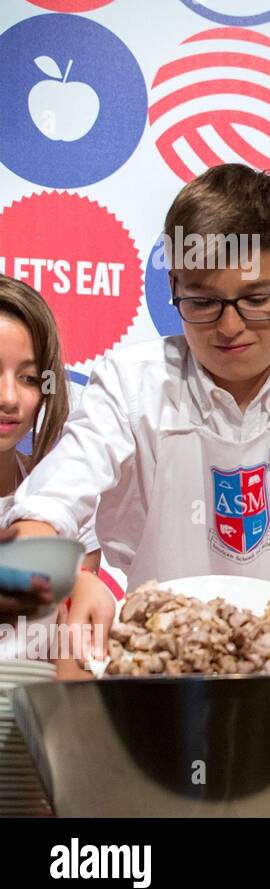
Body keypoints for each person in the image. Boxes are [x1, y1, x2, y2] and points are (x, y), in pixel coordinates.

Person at [3, 164, 270, 800]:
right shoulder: (131, 379)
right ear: (171, 289)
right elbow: (48, 503)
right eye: (201, 300)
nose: (229, 326)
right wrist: (66, 574)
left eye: (256, 298)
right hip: (159, 688)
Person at [0, 277, 99, 656]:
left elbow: (71, 664)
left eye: (27, 377)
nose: (10, 398)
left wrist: (84, 583)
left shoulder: (68, 503)